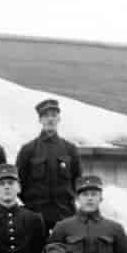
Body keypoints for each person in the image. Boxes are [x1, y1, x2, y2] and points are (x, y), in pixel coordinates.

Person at [15, 98, 82, 231]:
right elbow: (18, 183)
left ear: (59, 119)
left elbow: (77, 181)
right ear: (40, 120)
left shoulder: (70, 149)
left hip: (64, 214)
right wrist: (31, 204)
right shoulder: (28, 149)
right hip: (36, 214)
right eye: (46, 116)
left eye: (53, 115)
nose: (50, 119)